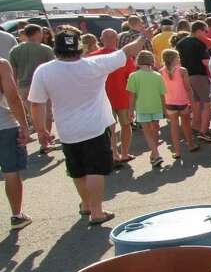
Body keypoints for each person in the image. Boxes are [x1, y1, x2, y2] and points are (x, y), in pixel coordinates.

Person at [28, 29, 144, 225]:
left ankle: (86, 204)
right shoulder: (94, 64)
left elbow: (36, 103)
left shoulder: (44, 71)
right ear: (79, 47)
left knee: (77, 170)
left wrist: (41, 130)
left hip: (66, 130)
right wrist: (143, 36)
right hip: (94, 127)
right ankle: (97, 211)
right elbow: (126, 51)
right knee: (95, 170)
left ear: (56, 48)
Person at [9, 24, 55, 150]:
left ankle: (41, 136)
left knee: (33, 114)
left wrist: (15, 88)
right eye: (41, 32)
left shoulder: (15, 50)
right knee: (46, 114)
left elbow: (13, 72)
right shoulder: (46, 49)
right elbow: (52, 69)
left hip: (23, 86)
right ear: (36, 33)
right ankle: (45, 142)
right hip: (43, 85)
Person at [93, 29, 136, 166]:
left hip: (102, 98)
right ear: (116, 39)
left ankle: (113, 154)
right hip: (123, 96)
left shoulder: (92, 57)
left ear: (101, 39)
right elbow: (131, 78)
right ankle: (124, 153)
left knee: (109, 128)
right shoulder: (122, 57)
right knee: (126, 125)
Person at [0, 56, 31, 230]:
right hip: (4, 126)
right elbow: (13, 98)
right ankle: (16, 215)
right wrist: (25, 126)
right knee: (11, 172)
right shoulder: (2, 65)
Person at [126, 50, 167, 168]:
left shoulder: (134, 76)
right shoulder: (157, 75)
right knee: (155, 130)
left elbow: (132, 95)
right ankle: (154, 154)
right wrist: (165, 109)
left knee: (147, 132)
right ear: (152, 61)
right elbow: (162, 95)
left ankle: (156, 154)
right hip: (156, 106)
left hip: (142, 107)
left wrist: (130, 110)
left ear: (138, 61)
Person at [177, 21, 211, 142]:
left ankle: (195, 126)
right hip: (199, 76)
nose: (206, 33)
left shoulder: (180, 42)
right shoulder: (199, 43)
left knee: (196, 103)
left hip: (186, 76)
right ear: (198, 30)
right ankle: (203, 131)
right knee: (208, 103)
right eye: (205, 31)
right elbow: (205, 62)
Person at [160, 49, 196, 157]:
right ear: (175, 59)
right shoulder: (182, 70)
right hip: (182, 101)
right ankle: (190, 145)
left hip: (169, 102)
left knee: (174, 127)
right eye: (178, 57)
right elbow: (188, 88)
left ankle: (177, 151)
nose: (179, 59)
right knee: (186, 124)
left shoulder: (161, 71)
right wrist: (192, 102)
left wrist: (163, 106)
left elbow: (161, 91)